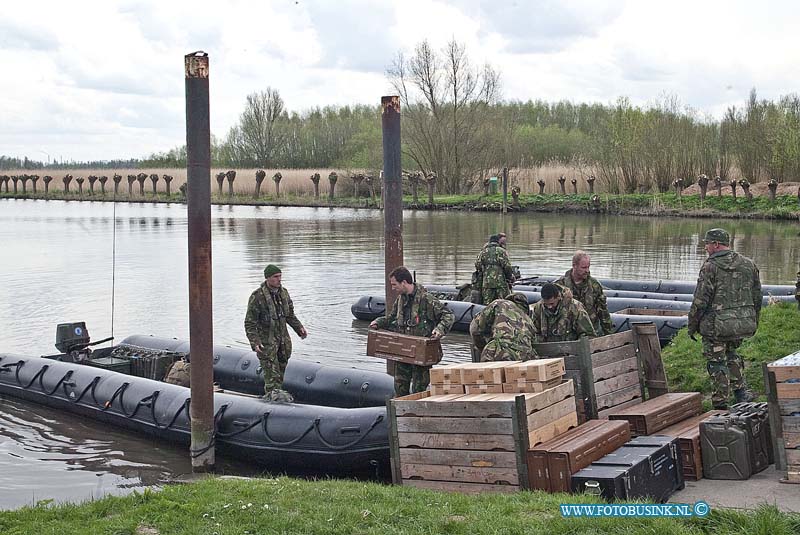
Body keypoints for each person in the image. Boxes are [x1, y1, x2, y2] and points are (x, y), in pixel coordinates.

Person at [688, 228, 761, 409]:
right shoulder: (748, 264)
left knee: (716, 361)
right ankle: (741, 393)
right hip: (740, 323)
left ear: (716, 244)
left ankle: (720, 403)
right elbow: (757, 296)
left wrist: (692, 325)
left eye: (707, 243)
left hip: (716, 326)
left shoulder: (709, 267)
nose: (705, 247)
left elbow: (700, 300)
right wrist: (753, 320)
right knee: (732, 355)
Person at [370, 266, 454, 396]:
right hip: (403, 351)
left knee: (419, 390)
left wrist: (439, 330)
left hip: (421, 353)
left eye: (394, 284)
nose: (393, 288)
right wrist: (378, 322)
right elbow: (392, 318)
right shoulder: (400, 300)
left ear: (404, 282)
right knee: (400, 387)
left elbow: (448, 315)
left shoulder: (427, 299)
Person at [244, 264, 307, 402]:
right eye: (275, 277)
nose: (279, 279)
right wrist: (255, 342)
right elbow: (250, 323)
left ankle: (277, 395)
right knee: (271, 375)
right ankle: (273, 398)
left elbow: (289, 315)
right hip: (267, 342)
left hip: (283, 341)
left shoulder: (284, 293)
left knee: (280, 371)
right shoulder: (257, 297)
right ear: (267, 278)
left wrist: (299, 328)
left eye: (280, 276)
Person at [555, 251, 613, 336]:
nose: (587, 271)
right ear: (574, 266)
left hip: (590, 331)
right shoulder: (560, 285)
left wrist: (609, 334)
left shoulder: (594, 285)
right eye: (583, 267)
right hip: (568, 332)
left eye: (588, 267)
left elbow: (603, 312)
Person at [470, 293, 538, 362]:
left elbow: (475, 328)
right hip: (525, 357)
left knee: (488, 368)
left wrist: (481, 347)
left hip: (500, 351)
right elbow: (534, 344)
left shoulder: (499, 303)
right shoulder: (529, 321)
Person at [530, 283, 596, 343]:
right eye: (546, 304)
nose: (549, 307)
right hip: (546, 350)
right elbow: (535, 332)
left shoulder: (575, 308)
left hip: (571, 350)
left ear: (558, 297)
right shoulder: (539, 308)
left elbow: (588, 334)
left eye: (552, 303)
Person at [473, 233, 515, 305]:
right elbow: (507, 267)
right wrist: (510, 277)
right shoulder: (501, 251)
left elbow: (477, 265)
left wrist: (485, 270)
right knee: (503, 303)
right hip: (500, 283)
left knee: (487, 304)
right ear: (498, 241)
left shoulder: (483, 252)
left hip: (487, 283)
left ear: (489, 242)